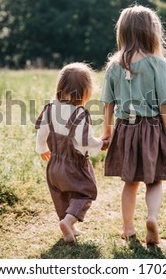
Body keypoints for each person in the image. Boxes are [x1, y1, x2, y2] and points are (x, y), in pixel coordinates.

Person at [100, 4, 166, 245]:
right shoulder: (157, 65)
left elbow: (107, 104)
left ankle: (128, 228)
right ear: (151, 33)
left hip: (125, 129)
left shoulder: (114, 65)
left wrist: (107, 132)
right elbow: (165, 104)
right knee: (154, 179)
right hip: (152, 129)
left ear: (123, 32)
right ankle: (152, 217)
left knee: (130, 181)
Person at [35, 62, 108, 244]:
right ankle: (68, 221)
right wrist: (101, 144)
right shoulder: (80, 114)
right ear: (85, 91)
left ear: (60, 86)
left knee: (61, 194)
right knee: (85, 192)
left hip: (53, 164)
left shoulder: (50, 108)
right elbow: (85, 142)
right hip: (73, 166)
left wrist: (42, 149)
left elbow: (41, 133)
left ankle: (68, 225)